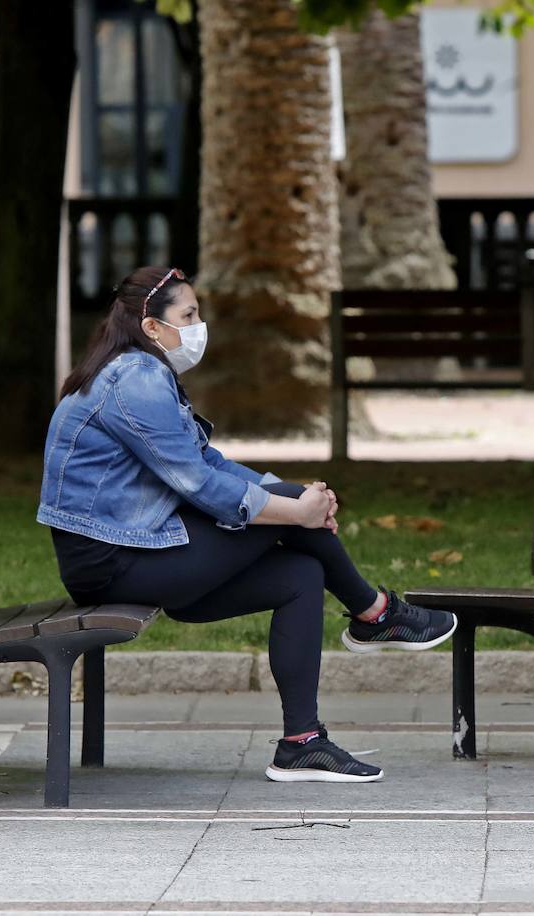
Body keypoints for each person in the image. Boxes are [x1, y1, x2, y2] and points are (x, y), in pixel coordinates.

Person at [37, 266, 457, 784]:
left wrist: (293, 493)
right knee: (288, 516)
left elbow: (207, 462)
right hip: (111, 562)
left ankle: (302, 743)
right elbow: (198, 484)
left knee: (302, 575)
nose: (197, 326)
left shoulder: (139, 371)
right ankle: (375, 614)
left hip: (148, 549)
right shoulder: (135, 379)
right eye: (188, 315)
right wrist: (294, 507)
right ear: (152, 326)